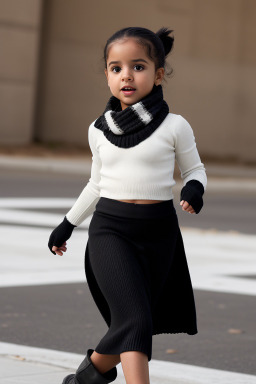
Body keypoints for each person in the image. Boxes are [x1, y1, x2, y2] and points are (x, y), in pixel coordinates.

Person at [48, 26, 207, 384]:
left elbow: (195, 169)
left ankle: (83, 380)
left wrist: (195, 189)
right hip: (110, 231)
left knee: (133, 324)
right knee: (135, 321)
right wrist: (68, 224)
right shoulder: (98, 129)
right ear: (106, 74)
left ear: (158, 73)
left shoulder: (175, 126)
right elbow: (96, 183)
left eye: (138, 66)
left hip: (158, 234)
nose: (127, 76)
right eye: (116, 68)